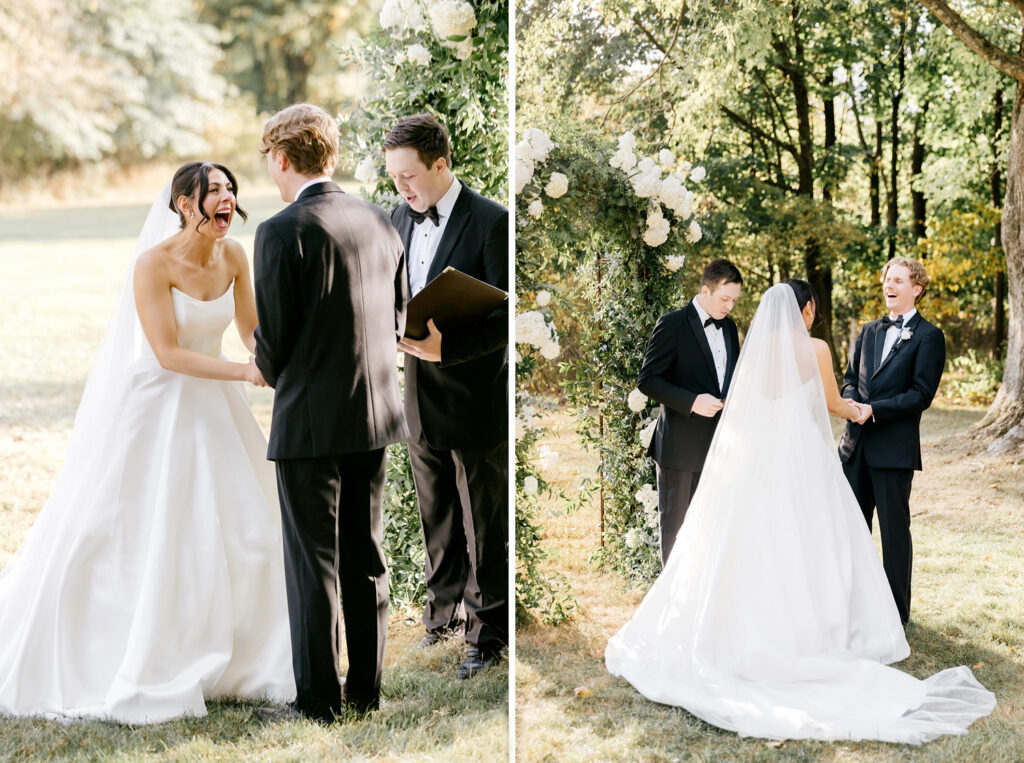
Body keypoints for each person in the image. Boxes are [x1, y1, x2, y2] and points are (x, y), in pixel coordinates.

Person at [605, 281, 995, 744]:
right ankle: (816, 627)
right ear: (806, 309)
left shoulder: (755, 347)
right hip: (802, 457)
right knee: (811, 537)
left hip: (755, 460)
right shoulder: (815, 347)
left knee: (756, 537)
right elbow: (832, 404)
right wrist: (860, 411)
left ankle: (747, 623)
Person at [0, 161, 295, 724]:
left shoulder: (234, 255)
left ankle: (253, 660)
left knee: (253, 530)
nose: (227, 198)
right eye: (214, 191)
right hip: (164, 408)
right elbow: (167, 353)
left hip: (219, 412)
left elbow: (249, 327)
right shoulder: (151, 265)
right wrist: (241, 374)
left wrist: (273, 358)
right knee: (143, 532)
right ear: (185, 204)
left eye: (231, 189)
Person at [253, 103, 408, 721]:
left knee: (312, 561)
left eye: (268, 158)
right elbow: (396, 320)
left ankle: (318, 700)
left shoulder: (279, 230)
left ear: (282, 159)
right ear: (332, 156)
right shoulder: (381, 221)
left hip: (308, 426)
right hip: (372, 418)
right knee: (364, 555)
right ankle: (366, 694)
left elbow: (274, 347)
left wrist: (263, 356)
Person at [384, 113, 508, 679]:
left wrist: (446, 350)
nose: (401, 189)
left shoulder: (492, 222)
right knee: (436, 514)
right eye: (393, 179)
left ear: (441, 164)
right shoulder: (397, 219)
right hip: (416, 396)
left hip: (474, 395)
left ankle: (486, 636)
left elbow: (509, 318)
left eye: (409, 176)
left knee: (483, 523)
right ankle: (443, 619)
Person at [840, 257, 945, 625]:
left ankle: (896, 614)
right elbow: (850, 377)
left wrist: (874, 410)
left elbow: (920, 394)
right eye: (888, 278)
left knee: (894, 534)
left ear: (916, 288)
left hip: (893, 451)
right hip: (853, 448)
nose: (890, 284)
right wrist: (852, 400)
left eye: (899, 280)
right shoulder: (869, 330)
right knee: (850, 529)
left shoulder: (930, 336)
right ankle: (849, 605)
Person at [637, 259, 742, 563]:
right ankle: (672, 601)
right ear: (705, 290)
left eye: (734, 300)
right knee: (676, 530)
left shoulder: (730, 327)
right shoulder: (672, 324)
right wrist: (692, 401)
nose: (729, 307)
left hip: (719, 448)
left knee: (709, 528)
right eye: (725, 299)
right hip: (680, 449)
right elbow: (648, 380)